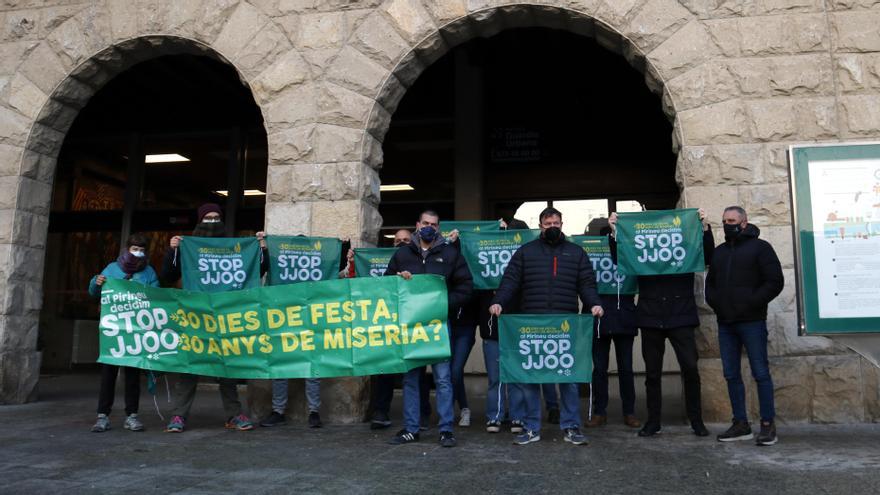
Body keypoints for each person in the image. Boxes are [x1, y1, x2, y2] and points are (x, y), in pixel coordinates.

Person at [490, 207, 604, 446]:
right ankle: (531, 427)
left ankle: (571, 426)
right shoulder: (525, 252)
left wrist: (594, 304)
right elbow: (510, 280)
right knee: (531, 378)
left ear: (562, 225)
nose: (552, 226)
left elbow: (587, 283)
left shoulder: (576, 253)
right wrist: (499, 301)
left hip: (566, 325)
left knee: (568, 378)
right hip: (532, 324)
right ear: (540, 226)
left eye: (556, 223)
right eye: (548, 223)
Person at [161, 203, 268, 433]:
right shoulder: (187, 246)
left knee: (226, 369)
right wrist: (173, 251)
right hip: (195, 318)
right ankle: (178, 416)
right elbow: (168, 275)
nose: (212, 221)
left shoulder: (234, 247)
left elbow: (258, 270)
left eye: (216, 217)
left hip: (224, 318)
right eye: (207, 217)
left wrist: (261, 249)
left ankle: (234, 414)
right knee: (190, 368)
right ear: (199, 221)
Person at [609, 208, 714, 438]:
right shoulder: (641, 251)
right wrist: (615, 231)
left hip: (681, 315)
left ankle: (697, 421)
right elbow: (621, 258)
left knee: (690, 369)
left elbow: (707, 255)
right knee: (652, 374)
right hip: (650, 316)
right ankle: (653, 421)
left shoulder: (685, 246)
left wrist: (705, 228)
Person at [385, 211, 473, 447]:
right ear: (417, 225)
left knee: (443, 379)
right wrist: (398, 280)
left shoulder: (451, 254)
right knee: (411, 379)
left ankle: (445, 430)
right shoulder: (402, 254)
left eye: (433, 225)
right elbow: (386, 286)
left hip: (439, 326)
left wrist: (444, 304)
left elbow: (465, 287)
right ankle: (411, 429)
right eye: (425, 223)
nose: (429, 228)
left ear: (439, 228)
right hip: (412, 328)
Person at [706, 206, 784, 446]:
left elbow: (774, 282)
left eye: (731, 220)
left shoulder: (761, 248)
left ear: (743, 222)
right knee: (731, 374)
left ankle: (768, 425)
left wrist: (751, 303)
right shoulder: (719, 252)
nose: (727, 224)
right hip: (726, 323)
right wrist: (718, 305)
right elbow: (711, 285)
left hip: (752, 322)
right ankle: (740, 424)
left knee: (760, 373)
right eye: (724, 220)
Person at [261, 239, 350, 429]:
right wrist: (264, 246)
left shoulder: (320, 264)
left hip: (309, 321)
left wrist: (341, 248)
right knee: (283, 367)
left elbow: (335, 271)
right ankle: (280, 411)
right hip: (284, 319)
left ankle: (312, 412)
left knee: (311, 368)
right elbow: (262, 268)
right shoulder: (275, 262)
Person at [87, 233, 159, 432]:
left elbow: (156, 296)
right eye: (135, 248)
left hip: (136, 329)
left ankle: (132, 415)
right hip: (114, 329)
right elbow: (94, 292)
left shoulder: (149, 272)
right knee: (108, 373)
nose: (138, 252)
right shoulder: (112, 269)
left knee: (133, 375)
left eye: (142, 249)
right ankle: (102, 415)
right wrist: (96, 281)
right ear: (127, 249)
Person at [368, 229, 434, 431]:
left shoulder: (419, 258)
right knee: (387, 367)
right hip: (390, 321)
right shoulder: (395, 259)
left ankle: (422, 413)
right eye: (397, 240)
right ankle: (381, 410)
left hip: (415, 321)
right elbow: (382, 286)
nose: (401, 243)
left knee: (417, 368)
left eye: (405, 240)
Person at [587, 226, 640, 429]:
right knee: (599, 369)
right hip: (598, 316)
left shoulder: (628, 254)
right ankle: (599, 412)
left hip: (624, 315)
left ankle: (629, 412)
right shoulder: (589, 257)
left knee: (626, 368)